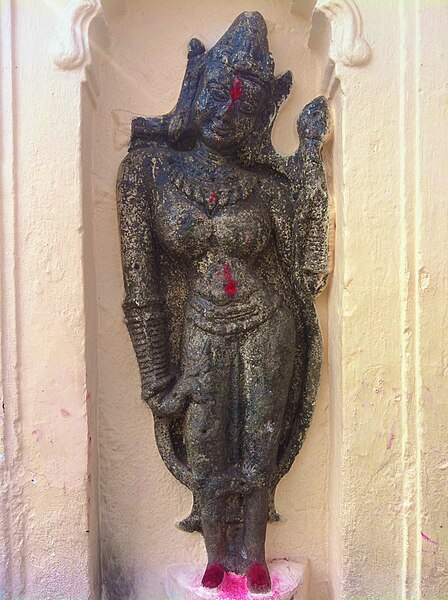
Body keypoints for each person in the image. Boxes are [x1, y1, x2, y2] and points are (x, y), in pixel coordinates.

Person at [117, 11, 330, 594]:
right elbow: (142, 290)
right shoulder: (150, 172)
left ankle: (255, 555)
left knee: (262, 436)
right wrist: (158, 381)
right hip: (201, 326)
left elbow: (306, 249)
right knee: (206, 438)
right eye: (215, 92)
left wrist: (309, 151)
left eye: (243, 104)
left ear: (261, 114)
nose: (224, 111)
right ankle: (217, 557)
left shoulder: (267, 184)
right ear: (197, 87)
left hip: (268, 323)